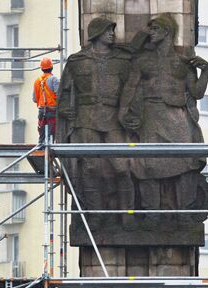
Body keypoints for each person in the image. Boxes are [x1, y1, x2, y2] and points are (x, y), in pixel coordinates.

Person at [118, 14, 208, 228]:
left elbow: (197, 93)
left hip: (177, 117)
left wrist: (205, 71)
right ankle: (152, 213)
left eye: (155, 29)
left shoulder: (182, 61)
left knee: (187, 162)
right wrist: (123, 113)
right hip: (151, 115)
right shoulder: (143, 61)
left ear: (167, 32)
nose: (151, 33)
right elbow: (130, 88)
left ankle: (184, 212)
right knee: (146, 163)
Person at [57, 17, 136, 230]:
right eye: (108, 30)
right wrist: (65, 108)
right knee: (90, 169)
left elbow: (133, 91)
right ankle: (96, 215)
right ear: (97, 34)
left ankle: (127, 215)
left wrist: (130, 115)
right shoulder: (76, 61)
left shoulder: (122, 60)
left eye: (113, 30)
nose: (112, 34)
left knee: (122, 168)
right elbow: (63, 93)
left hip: (113, 121)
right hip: (85, 120)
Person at [33, 57, 59, 144]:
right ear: (51, 67)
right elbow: (59, 95)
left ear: (41, 68)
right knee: (51, 133)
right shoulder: (54, 79)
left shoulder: (37, 81)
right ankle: (49, 149)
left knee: (42, 133)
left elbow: (34, 99)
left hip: (41, 110)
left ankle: (41, 149)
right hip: (52, 110)